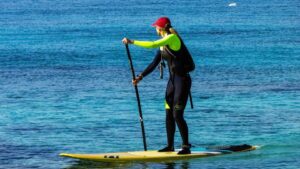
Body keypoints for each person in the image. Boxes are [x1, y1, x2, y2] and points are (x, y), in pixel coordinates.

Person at [122, 17, 194, 154]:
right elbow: (154, 63)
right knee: (168, 113)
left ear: (160, 28)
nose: (155, 29)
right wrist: (140, 77)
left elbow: (151, 44)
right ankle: (170, 146)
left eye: (155, 27)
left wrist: (132, 42)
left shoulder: (172, 38)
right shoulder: (163, 44)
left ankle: (186, 147)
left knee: (177, 114)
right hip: (172, 82)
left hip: (182, 81)